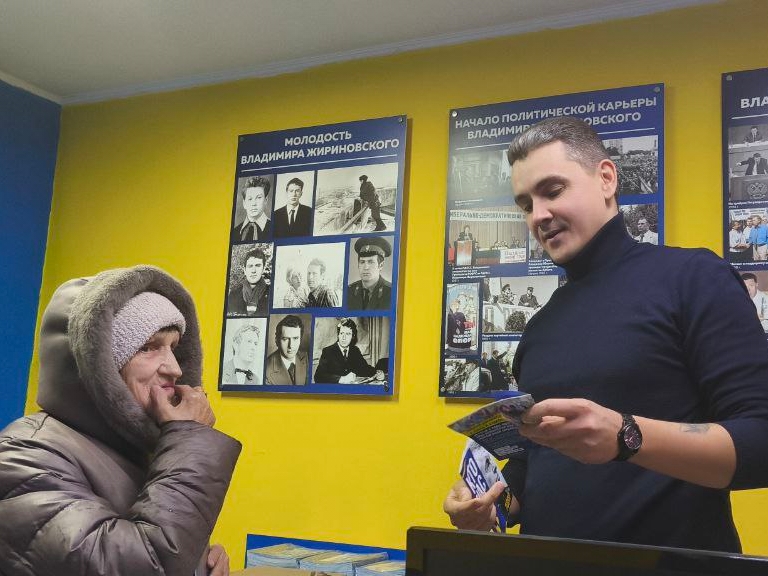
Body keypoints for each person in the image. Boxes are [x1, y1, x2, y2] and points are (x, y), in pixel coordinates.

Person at [443, 116, 768, 552]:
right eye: (525, 204)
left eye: (552, 191)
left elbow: (761, 442)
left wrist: (625, 436)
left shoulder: (693, 278)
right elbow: (536, 461)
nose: (538, 215)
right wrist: (492, 503)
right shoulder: (540, 327)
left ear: (606, 179)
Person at [0, 265, 241, 575]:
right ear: (100, 365)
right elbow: (135, 565)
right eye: (149, 347)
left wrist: (197, 562)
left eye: (173, 347)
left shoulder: (138, 448)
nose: (175, 369)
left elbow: (152, 541)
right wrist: (190, 439)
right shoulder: (25, 455)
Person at [314, 318, 384, 383]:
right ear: (338, 335)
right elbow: (318, 376)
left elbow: (364, 368)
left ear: (353, 336)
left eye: (348, 334)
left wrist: (377, 372)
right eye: (342, 333)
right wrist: (341, 379)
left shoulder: (355, 350)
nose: (344, 338)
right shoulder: (328, 351)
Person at [347, 236, 393, 310]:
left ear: (380, 265)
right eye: (362, 262)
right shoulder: (349, 291)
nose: (366, 267)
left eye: (371, 262)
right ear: (358, 265)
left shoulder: (391, 292)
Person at [265, 315, 308, 385]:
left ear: (300, 339)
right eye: (285, 339)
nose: (291, 345)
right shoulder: (266, 371)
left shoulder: (306, 357)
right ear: (276, 340)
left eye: (295, 338)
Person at [227, 247, 270, 315]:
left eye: (257, 266)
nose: (253, 271)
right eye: (250, 266)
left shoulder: (270, 293)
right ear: (245, 270)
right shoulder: (233, 295)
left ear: (263, 269)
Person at [232, 176, 272, 241]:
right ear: (244, 203)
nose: (254, 204)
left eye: (259, 197)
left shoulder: (276, 228)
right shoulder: (234, 232)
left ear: (266, 200)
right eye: (250, 199)